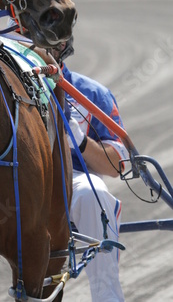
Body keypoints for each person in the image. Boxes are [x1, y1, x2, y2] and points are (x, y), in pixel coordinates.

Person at [53, 38, 129, 302]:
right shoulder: (0, 87)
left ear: (63, 45)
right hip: (10, 180)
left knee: (91, 193)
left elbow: (116, 165)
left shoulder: (91, 94)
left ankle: (107, 295)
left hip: (70, 179)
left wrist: (81, 141)